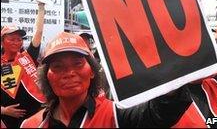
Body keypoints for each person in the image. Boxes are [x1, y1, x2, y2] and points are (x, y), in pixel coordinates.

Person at [21, 32, 192, 128]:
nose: (69, 73)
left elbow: (159, 115)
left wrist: (170, 80)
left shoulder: (116, 115)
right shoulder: (30, 125)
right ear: (46, 77)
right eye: (58, 66)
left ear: (92, 72)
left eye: (78, 64)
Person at [1, 2, 46, 128]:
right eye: (12, 39)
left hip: (32, 119)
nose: (16, 42)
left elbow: (38, 32)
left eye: (19, 39)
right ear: (2, 41)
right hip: (5, 121)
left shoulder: (27, 57)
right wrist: (4, 110)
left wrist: (41, 7)